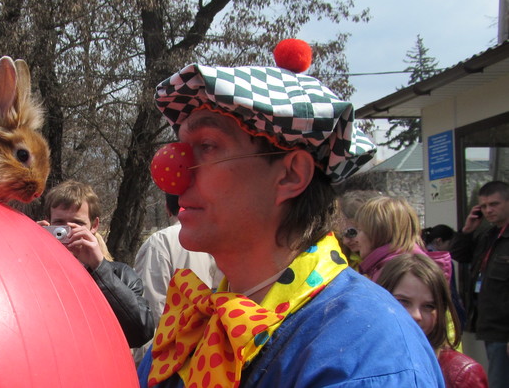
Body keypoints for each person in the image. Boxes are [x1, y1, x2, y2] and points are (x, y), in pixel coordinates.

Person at [137, 39, 443, 387]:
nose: (172, 172)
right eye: (179, 146)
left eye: (207, 146)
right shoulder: (193, 327)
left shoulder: (366, 353)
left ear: (291, 174)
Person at [40, 180, 156, 348]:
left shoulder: (121, 275)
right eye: (59, 223)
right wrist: (29, 253)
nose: (67, 231)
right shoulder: (36, 270)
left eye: (77, 223)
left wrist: (99, 268)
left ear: (94, 225)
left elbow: (141, 332)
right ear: (48, 223)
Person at [133, 193, 223, 363]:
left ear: (167, 208)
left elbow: (150, 309)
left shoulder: (160, 243)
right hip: (212, 353)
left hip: (169, 356)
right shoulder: (217, 237)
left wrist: (144, 365)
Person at [377, 253, 488, 388]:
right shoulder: (361, 361)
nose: (416, 315)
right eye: (403, 301)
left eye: (429, 306)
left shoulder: (461, 374)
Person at [451, 180, 509, 388]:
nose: (488, 210)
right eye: (483, 206)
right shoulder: (489, 235)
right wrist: (467, 231)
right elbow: (459, 254)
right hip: (489, 325)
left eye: (494, 204)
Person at [354, 196, 451, 282]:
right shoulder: (394, 266)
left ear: (378, 232)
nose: (356, 238)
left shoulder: (398, 272)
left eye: (360, 230)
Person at [336, 189, 382, 269]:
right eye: (341, 235)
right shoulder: (346, 260)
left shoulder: (395, 263)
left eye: (351, 233)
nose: (345, 241)